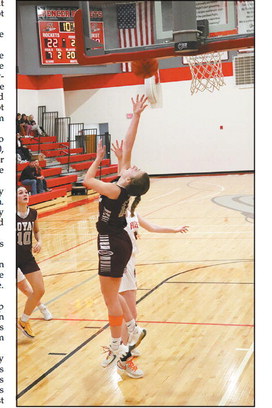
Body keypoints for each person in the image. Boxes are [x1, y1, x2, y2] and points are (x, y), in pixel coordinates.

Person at [101, 140, 189, 367]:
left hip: (129, 262)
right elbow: (124, 179)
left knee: (131, 311)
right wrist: (122, 159)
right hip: (119, 261)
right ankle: (121, 353)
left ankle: (124, 346)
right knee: (124, 310)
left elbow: (153, 227)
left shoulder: (131, 211)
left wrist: (174, 229)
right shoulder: (119, 207)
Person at [83, 95, 149, 379]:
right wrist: (136, 115)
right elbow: (129, 143)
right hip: (119, 240)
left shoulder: (118, 188)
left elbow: (87, 181)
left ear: (131, 178)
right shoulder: (124, 185)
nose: (131, 164)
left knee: (117, 299)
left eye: (134, 168)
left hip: (118, 243)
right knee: (118, 298)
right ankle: (128, 338)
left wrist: (97, 159)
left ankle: (121, 350)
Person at [17, 186, 48, 338]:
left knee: (40, 289)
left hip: (26, 257)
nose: (25, 195)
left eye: (26, 192)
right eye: (20, 192)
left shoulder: (33, 213)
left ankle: (23, 320)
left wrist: (40, 241)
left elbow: (36, 230)